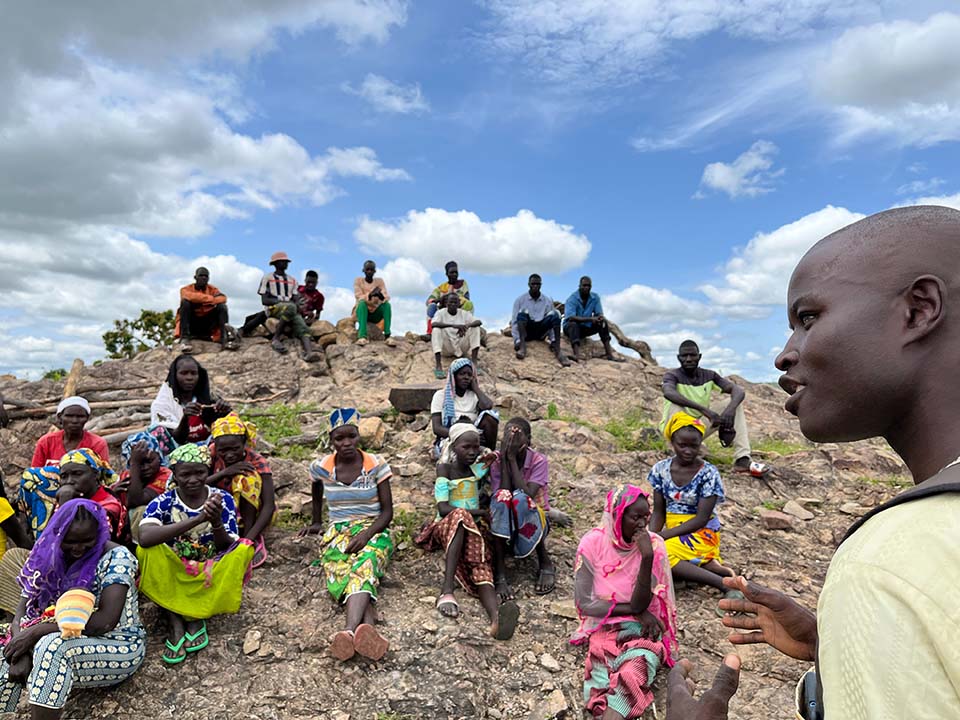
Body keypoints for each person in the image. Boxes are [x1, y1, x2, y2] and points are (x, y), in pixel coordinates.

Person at [669, 206, 960, 720]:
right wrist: (840, 646)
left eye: (807, 318)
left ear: (919, 309)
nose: (783, 355)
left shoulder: (889, 563)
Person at [0, 500, 145, 718]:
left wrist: (36, 633)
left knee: (53, 647)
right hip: (54, 633)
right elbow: (22, 611)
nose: (78, 548)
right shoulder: (46, 556)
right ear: (59, 535)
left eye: (87, 541)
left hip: (116, 642)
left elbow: (106, 620)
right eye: (70, 541)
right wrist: (19, 651)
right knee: (7, 651)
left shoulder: (117, 557)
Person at [137, 443, 254, 665]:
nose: (193, 479)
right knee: (146, 550)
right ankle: (175, 621)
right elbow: (145, 537)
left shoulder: (222, 499)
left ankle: (195, 616)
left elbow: (227, 547)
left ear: (208, 472)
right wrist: (198, 519)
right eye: (185, 474)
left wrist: (216, 522)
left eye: (199, 472)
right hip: (175, 567)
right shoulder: (164, 502)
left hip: (210, 566)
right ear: (175, 475)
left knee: (242, 550)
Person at [572, 485, 678, 719]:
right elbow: (585, 604)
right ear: (616, 515)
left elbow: (642, 602)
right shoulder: (592, 544)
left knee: (636, 668)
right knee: (600, 683)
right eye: (634, 517)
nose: (642, 524)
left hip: (643, 629)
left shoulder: (654, 547)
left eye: (646, 517)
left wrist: (646, 557)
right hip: (605, 626)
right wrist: (635, 610)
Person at [299, 409, 394, 661]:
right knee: (347, 571)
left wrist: (366, 535)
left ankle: (349, 631)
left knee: (365, 565)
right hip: (337, 530)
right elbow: (316, 490)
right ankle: (368, 632)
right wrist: (317, 521)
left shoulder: (376, 464)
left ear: (358, 435)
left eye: (351, 436)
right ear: (332, 440)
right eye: (339, 438)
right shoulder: (321, 467)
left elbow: (387, 513)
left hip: (374, 528)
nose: (346, 443)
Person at [414, 423, 519, 641]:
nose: (472, 452)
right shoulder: (445, 470)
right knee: (461, 516)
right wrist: (480, 510)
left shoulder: (475, 468)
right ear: (453, 447)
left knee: (480, 563)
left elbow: (496, 458)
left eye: (475, 447)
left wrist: (495, 453)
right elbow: (443, 508)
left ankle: (495, 619)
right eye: (465, 447)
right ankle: (446, 590)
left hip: (471, 527)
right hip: (446, 525)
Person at [648, 413, 740, 605]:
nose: (689, 451)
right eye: (683, 445)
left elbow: (702, 518)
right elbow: (658, 512)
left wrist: (662, 538)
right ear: (672, 442)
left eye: (694, 446)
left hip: (701, 532)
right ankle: (696, 570)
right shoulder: (660, 470)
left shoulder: (708, 473)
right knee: (646, 551)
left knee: (663, 553)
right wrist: (651, 536)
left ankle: (723, 584)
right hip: (674, 531)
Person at [659, 340, 766, 476]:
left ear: (700, 357)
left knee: (734, 403)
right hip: (676, 430)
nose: (688, 359)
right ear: (678, 358)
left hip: (697, 427)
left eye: (693, 355)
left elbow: (737, 390)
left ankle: (742, 458)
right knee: (675, 403)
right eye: (684, 356)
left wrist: (729, 412)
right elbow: (669, 392)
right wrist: (705, 410)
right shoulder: (672, 376)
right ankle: (680, 452)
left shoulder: (709, 375)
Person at [488, 418, 555, 597]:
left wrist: (510, 458)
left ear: (529, 440)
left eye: (518, 435)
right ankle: (500, 574)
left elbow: (526, 493)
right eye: (508, 435)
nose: (512, 440)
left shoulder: (538, 460)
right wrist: (504, 459)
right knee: (503, 498)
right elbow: (502, 492)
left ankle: (544, 561)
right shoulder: (496, 459)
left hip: (535, 521)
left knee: (520, 499)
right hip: (507, 524)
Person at [207, 413, 275, 565]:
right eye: (223, 450)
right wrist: (225, 472)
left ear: (244, 443)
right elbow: (198, 484)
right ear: (215, 446)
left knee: (244, 479)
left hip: (252, 514)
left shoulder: (257, 461)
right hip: (221, 508)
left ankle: (248, 535)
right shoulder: (211, 454)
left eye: (235, 449)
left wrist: (248, 539)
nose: (229, 455)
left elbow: (269, 506)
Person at [242, 251, 322, 361]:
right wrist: (284, 301)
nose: (285, 263)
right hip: (273, 309)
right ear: (275, 263)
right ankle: (276, 338)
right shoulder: (268, 278)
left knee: (302, 326)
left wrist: (301, 309)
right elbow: (265, 300)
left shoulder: (292, 280)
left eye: (286, 261)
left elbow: (295, 300)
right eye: (282, 261)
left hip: (290, 310)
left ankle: (309, 353)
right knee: (290, 307)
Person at [150, 354, 231, 449]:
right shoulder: (162, 404)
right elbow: (178, 439)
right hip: (175, 455)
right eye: (184, 373)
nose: (189, 377)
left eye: (193, 373)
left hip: (208, 451)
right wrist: (185, 418)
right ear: (174, 376)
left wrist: (225, 412)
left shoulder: (207, 400)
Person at [110, 431, 173, 544]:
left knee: (140, 510)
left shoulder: (166, 476)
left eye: (149, 461)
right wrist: (113, 493)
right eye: (140, 463)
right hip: (125, 531)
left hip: (156, 532)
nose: (144, 467)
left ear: (159, 457)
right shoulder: (127, 475)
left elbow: (136, 500)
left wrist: (135, 463)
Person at [430, 358, 499, 456]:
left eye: (469, 375)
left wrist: (476, 388)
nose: (466, 377)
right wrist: (462, 434)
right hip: (451, 437)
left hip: (474, 437)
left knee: (490, 417)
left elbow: (488, 406)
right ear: (454, 376)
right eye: (462, 374)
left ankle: (490, 454)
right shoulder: (441, 395)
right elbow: (437, 428)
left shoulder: (474, 396)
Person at [511, 274, 571, 367]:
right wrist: (517, 340)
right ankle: (522, 347)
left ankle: (558, 350)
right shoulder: (520, 300)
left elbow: (551, 323)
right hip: (527, 332)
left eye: (537, 284)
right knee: (521, 314)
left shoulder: (547, 301)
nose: (535, 286)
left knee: (556, 314)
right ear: (529, 284)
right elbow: (515, 322)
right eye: (533, 284)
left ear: (541, 285)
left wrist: (553, 340)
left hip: (540, 331)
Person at [31, 397, 108, 468]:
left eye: (80, 416)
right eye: (69, 416)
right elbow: (34, 475)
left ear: (87, 418)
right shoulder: (46, 442)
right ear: (59, 417)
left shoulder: (97, 444)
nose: (74, 421)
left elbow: (102, 477)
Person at [174, 266, 237, 352]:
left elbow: (223, 298)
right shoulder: (186, 289)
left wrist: (201, 299)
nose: (204, 278)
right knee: (185, 303)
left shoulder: (213, 289)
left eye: (206, 276)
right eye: (201, 275)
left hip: (206, 325)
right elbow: (187, 296)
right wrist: (210, 299)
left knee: (222, 307)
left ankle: (224, 340)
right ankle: (185, 339)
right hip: (192, 324)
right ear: (195, 277)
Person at [563, 276, 621, 362]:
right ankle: (576, 355)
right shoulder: (572, 299)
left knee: (603, 323)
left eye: (588, 286)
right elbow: (571, 317)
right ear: (579, 286)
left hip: (585, 327)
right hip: (571, 328)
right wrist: (590, 319)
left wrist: (600, 317)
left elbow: (599, 313)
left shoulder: (595, 297)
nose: (586, 287)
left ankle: (609, 354)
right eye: (584, 285)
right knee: (573, 324)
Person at [431, 293, 482, 379]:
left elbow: (479, 322)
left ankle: (474, 363)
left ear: (459, 304)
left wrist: (466, 327)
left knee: (475, 327)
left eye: (455, 302)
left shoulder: (464, 313)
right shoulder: (440, 313)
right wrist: (454, 325)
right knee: (436, 330)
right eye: (451, 302)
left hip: (460, 346)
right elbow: (434, 324)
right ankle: (438, 366)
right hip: (446, 347)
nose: (453, 304)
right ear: (447, 304)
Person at [353, 260, 396, 347]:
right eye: (367, 269)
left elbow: (386, 296)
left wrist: (381, 296)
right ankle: (362, 336)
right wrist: (370, 294)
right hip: (362, 313)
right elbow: (359, 296)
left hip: (375, 314)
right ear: (363, 270)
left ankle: (387, 335)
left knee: (387, 305)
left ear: (374, 271)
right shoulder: (358, 281)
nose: (369, 271)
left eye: (371, 269)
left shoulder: (379, 281)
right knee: (361, 303)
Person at [426, 261, 473, 335]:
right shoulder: (441, 287)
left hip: (459, 309)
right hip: (444, 311)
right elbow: (429, 300)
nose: (454, 274)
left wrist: (454, 299)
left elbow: (466, 298)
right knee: (431, 306)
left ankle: (465, 328)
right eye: (452, 272)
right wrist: (440, 300)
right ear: (447, 274)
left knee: (469, 304)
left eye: (456, 272)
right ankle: (430, 332)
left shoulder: (463, 284)